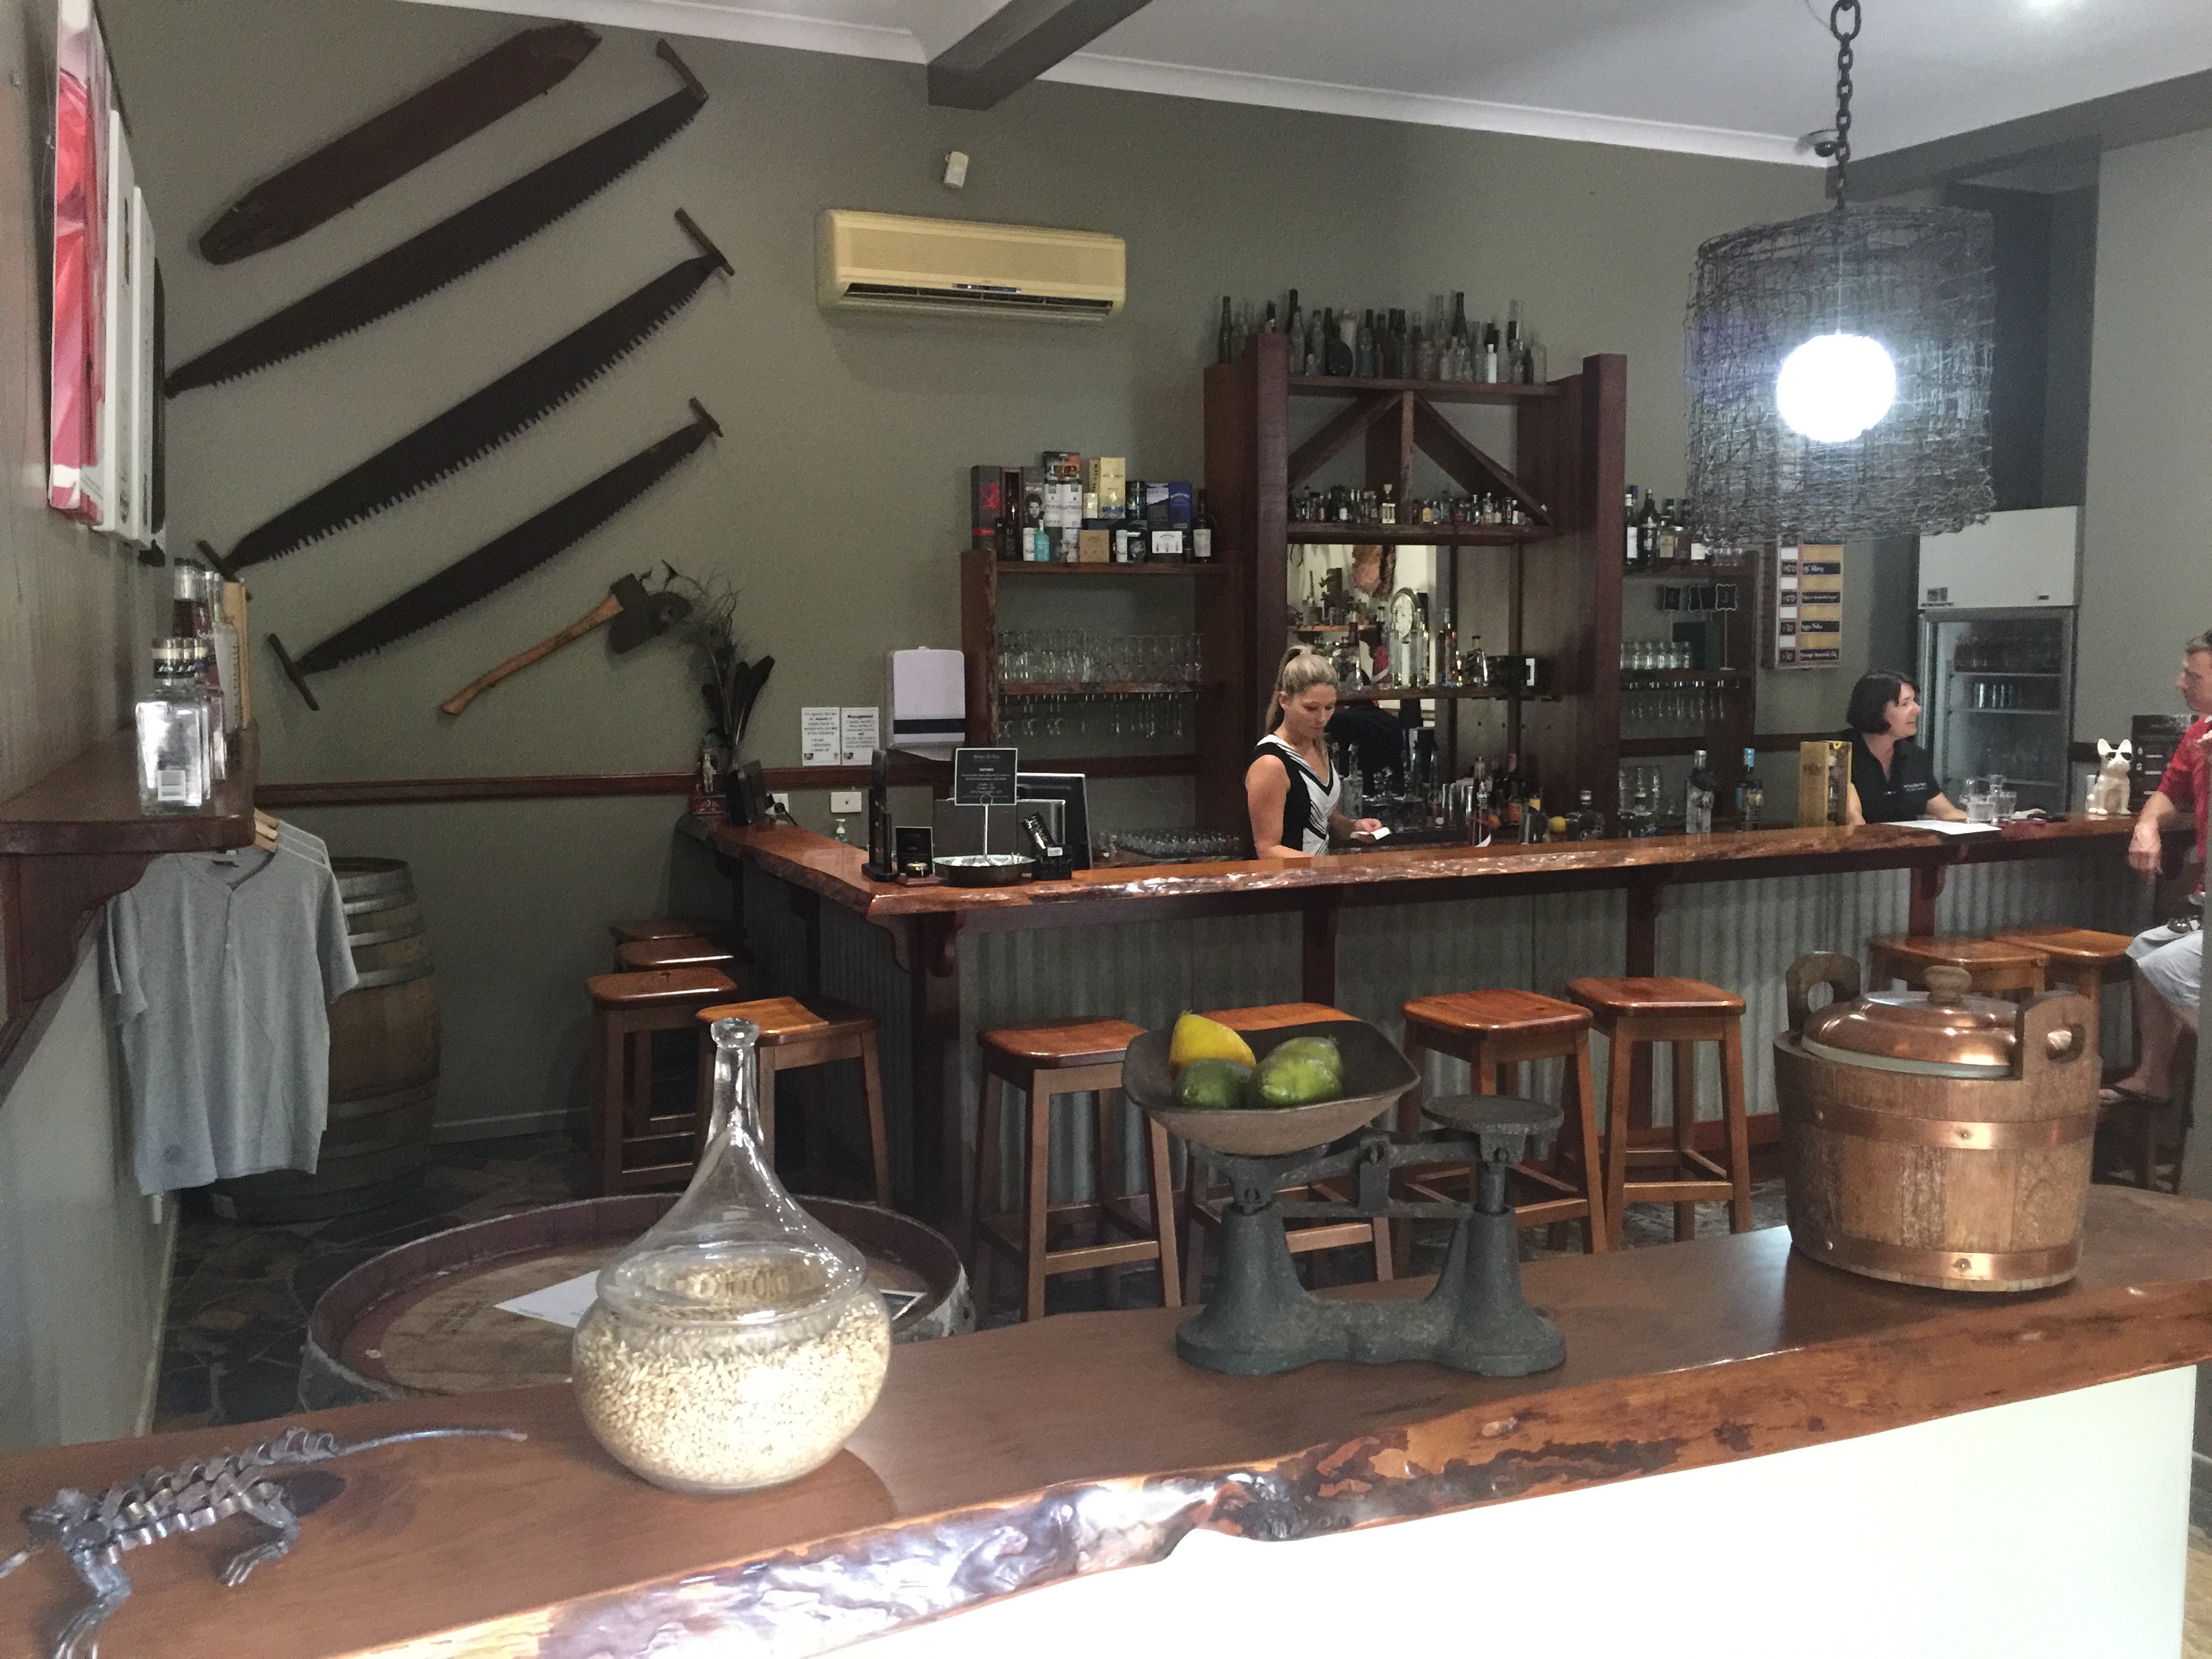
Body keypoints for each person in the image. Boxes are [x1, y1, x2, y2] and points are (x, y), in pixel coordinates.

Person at [2111, 632, 2211, 1105]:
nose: (2179, 683)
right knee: (2145, 951)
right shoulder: (2198, 734)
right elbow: (2169, 793)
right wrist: (2147, 825)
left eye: (2193, 676)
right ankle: (2154, 1076)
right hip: (2204, 898)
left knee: (2168, 965)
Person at [1247, 648, 1382, 857]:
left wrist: (1355, 827)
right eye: (1311, 708)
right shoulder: (1270, 763)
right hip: (1289, 877)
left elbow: (1325, 818)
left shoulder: (1319, 746)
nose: (1322, 718)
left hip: (1317, 874)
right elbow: (1268, 850)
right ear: (1284, 701)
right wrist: (1325, 867)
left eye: (1330, 707)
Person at [1840, 671, 1965, 825]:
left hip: (1905, 840)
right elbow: (1854, 822)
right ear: (1876, 709)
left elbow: (1947, 813)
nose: (1917, 709)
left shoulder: (1914, 756)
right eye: (1905, 704)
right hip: (1860, 840)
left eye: (1915, 701)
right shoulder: (1839, 754)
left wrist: (1986, 824)